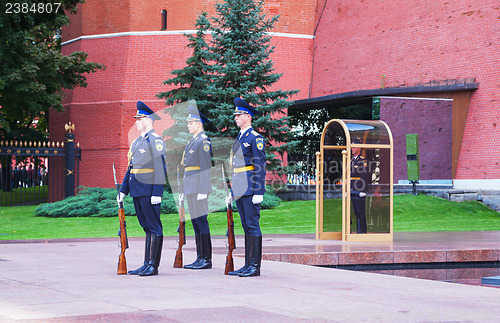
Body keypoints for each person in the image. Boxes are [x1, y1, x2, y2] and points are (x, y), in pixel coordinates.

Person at [117, 101, 167, 276]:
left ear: (148, 119)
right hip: (138, 190)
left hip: (149, 190)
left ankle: (153, 265)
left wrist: (157, 192)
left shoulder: (156, 140)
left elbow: (160, 167)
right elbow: (131, 167)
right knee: (146, 228)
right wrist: (123, 190)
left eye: (139, 119)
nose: (136, 122)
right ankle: (147, 263)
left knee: (154, 227)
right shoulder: (137, 142)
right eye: (136, 119)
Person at [227, 97, 266, 277]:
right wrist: (232, 191)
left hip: (250, 187)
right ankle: (247, 264)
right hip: (241, 187)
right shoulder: (240, 137)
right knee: (245, 225)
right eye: (235, 115)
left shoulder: (255, 138)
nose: (235, 117)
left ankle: (254, 266)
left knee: (252, 225)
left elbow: (259, 166)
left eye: (239, 114)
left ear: (248, 116)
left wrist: (259, 191)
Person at [179, 105, 213, 270]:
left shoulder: (203, 141)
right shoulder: (193, 141)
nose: (188, 125)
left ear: (199, 124)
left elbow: (205, 168)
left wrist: (203, 190)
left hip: (199, 188)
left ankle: (206, 259)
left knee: (202, 223)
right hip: (191, 187)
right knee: (196, 223)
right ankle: (200, 257)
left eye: (191, 123)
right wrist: (184, 190)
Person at [350, 138, 370, 234]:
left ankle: (362, 232)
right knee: (355, 212)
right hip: (352, 190)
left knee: (361, 212)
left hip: (359, 190)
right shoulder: (351, 161)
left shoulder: (363, 161)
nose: (352, 149)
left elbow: (365, 176)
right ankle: (358, 232)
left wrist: (364, 190)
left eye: (353, 147)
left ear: (359, 148)